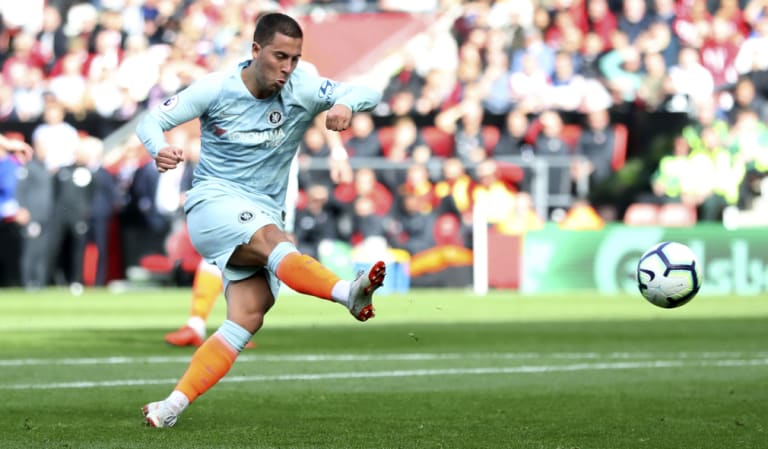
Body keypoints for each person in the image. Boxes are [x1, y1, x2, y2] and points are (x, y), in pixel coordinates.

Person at [135, 13, 386, 428]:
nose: (287, 68)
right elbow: (152, 120)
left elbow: (369, 91)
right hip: (213, 202)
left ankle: (170, 407)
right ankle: (347, 292)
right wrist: (158, 147)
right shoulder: (217, 88)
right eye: (279, 56)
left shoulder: (303, 84)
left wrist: (345, 102)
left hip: (263, 206)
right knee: (272, 239)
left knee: (249, 315)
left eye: (295, 58)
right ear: (256, 51)